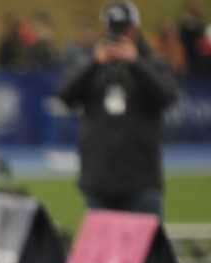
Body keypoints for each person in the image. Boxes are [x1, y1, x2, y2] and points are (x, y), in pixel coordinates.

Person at [57, 2, 179, 217]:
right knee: (102, 250)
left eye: (124, 28)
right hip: (99, 179)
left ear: (135, 29)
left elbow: (168, 97)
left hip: (141, 179)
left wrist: (136, 63)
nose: (120, 35)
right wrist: (94, 63)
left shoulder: (152, 63)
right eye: (114, 28)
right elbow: (65, 96)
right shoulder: (92, 63)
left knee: (146, 248)